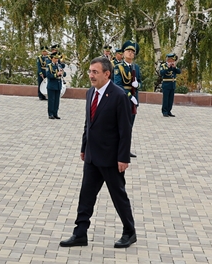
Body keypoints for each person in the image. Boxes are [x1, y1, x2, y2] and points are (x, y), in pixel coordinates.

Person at [60, 57, 136, 249]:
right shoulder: (89, 93)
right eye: (90, 71)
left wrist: (123, 157)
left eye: (95, 72)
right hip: (92, 156)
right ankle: (80, 233)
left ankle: (129, 232)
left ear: (106, 74)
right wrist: (84, 148)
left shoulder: (119, 96)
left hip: (111, 158)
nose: (91, 75)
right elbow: (89, 125)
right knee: (86, 195)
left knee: (118, 196)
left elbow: (125, 130)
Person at [118, 42, 141, 158]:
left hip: (134, 99)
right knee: (121, 126)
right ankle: (118, 149)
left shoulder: (136, 67)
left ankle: (126, 150)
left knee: (129, 126)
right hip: (124, 99)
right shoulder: (119, 67)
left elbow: (140, 82)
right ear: (123, 53)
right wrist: (129, 96)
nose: (131, 53)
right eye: (128, 51)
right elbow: (117, 85)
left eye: (133, 52)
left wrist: (138, 85)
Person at [45, 52, 64, 120]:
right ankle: (51, 114)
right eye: (55, 58)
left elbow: (64, 74)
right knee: (51, 100)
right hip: (52, 85)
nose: (57, 60)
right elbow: (48, 75)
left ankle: (55, 113)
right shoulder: (49, 66)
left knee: (57, 101)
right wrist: (56, 75)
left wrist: (62, 73)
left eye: (57, 58)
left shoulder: (59, 66)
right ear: (52, 58)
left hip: (58, 85)